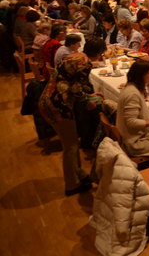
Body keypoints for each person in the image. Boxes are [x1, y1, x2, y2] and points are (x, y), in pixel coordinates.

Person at [39, 52, 102, 195]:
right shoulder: (85, 65)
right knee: (70, 146)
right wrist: (87, 102)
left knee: (71, 142)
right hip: (58, 107)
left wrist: (86, 97)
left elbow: (72, 84)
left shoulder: (72, 58)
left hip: (47, 100)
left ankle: (78, 174)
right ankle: (72, 185)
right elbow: (75, 88)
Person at [116, 60, 149, 157]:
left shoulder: (130, 87)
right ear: (141, 75)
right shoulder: (132, 94)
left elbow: (137, 111)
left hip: (130, 137)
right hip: (135, 143)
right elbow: (131, 121)